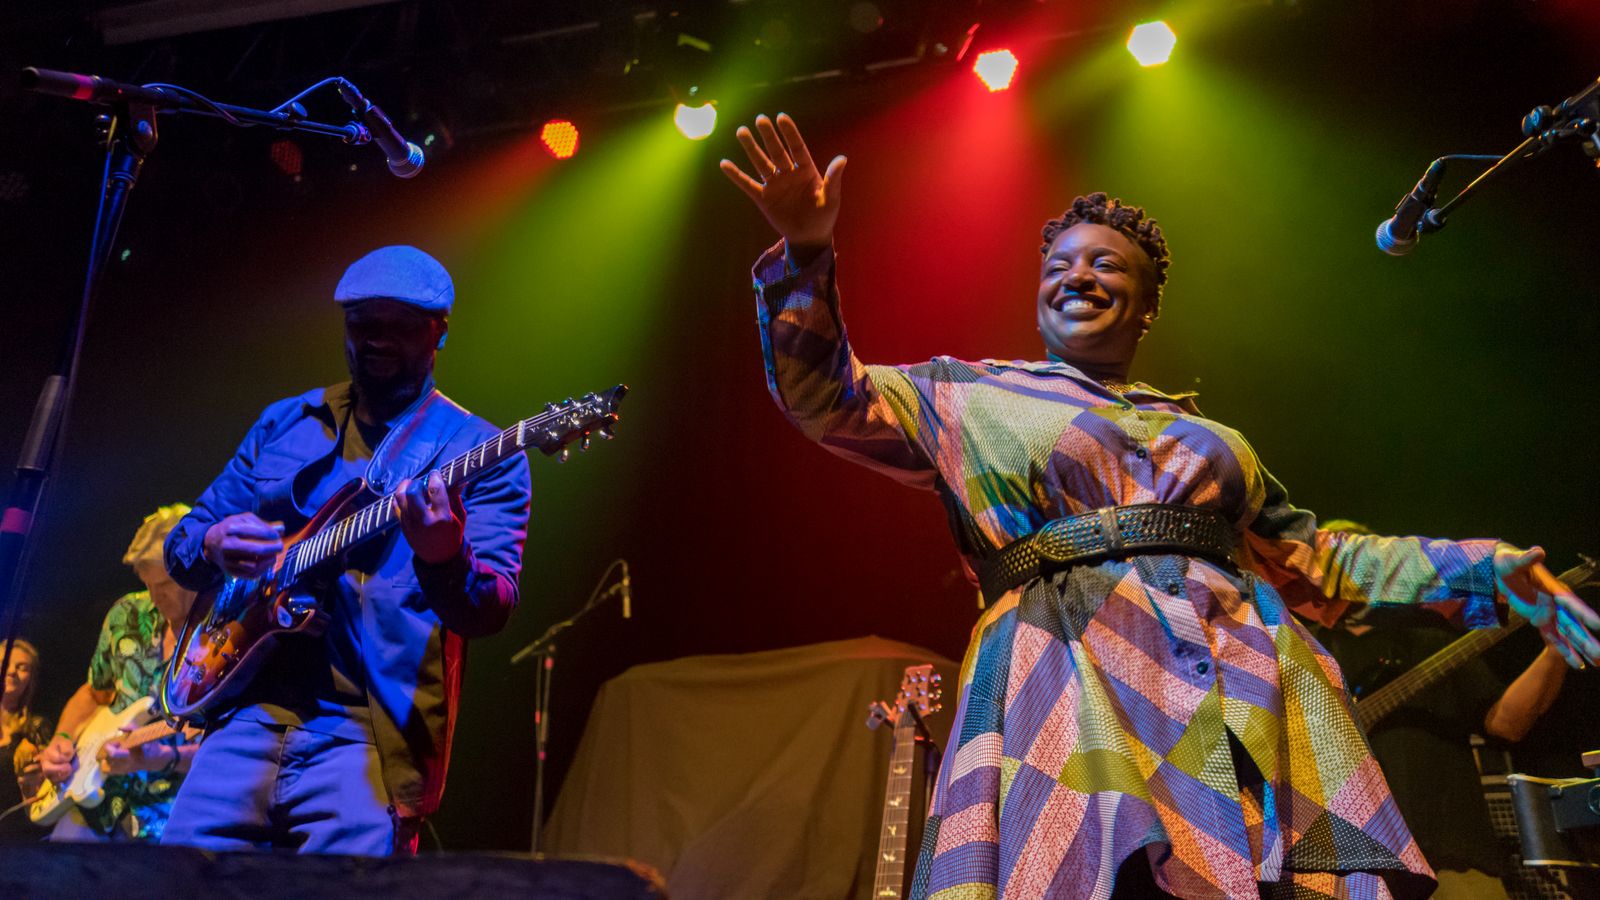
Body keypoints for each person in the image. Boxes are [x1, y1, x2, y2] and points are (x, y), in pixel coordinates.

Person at [720, 114, 1600, 899]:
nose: (1078, 275)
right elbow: (824, 397)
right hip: (1068, 675)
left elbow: (1323, 562)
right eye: (1059, 266)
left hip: (1241, 682)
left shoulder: (1213, 439)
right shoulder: (967, 395)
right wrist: (806, 253)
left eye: (1106, 264)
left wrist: (1488, 570)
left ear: (1146, 306)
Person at [159, 245, 532, 855]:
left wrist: (445, 556)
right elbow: (183, 545)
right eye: (363, 323)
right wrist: (212, 542)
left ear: (439, 332)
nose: (378, 339)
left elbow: (490, 609)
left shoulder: (480, 452)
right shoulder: (286, 422)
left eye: (400, 325)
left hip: (365, 739)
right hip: (242, 720)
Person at [1312, 521, 1574, 900]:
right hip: (1350, 872)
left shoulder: (1428, 638)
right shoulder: (1303, 654)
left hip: (1455, 859)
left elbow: (1507, 724)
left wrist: (1556, 650)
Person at [33, 504, 201, 842]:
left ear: (197, 572)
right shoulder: (127, 613)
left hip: (171, 814)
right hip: (94, 800)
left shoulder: (225, 633)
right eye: (148, 584)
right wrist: (62, 739)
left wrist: (161, 759)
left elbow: (231, 745)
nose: (155, 596)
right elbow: (95, 692)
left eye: (166, 584)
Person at [1, 638, 51, 843]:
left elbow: (47, 796)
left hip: (19, 839)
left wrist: (37, 780)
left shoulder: (36, 728)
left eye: (22, 667)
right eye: (4, 663)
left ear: (30, 680)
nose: (11, 671)